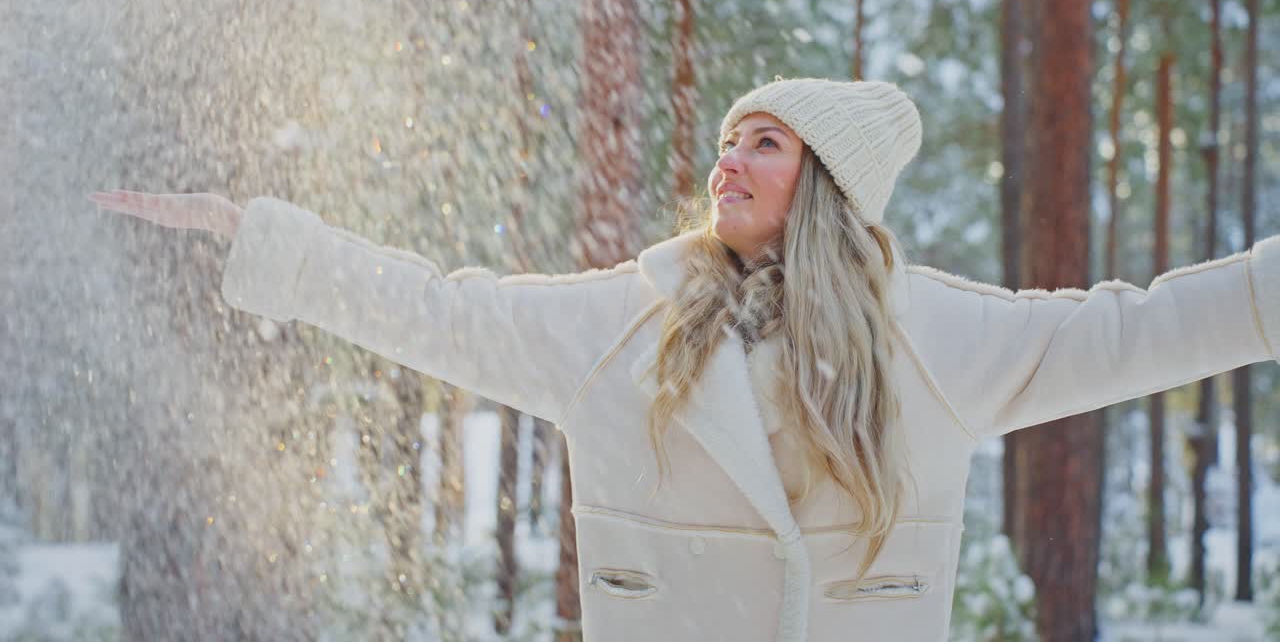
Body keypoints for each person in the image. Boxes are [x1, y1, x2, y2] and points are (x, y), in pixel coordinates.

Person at [90, 77, 1280, 642]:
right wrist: (263, 239)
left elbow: (1141, 326)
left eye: (761, 143)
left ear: (827, 185)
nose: (726, 164)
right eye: (722, 143)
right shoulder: (626, 325)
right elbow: (438, 312)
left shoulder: (938, 339)